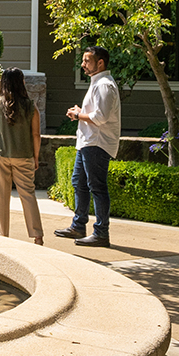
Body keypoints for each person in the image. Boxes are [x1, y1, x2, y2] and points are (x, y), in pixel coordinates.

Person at [55, 46, 122, 248]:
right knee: (79, 183)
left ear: (100, 62)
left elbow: (100, 118)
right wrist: (80, 111)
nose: (83, 64)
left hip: (97, 143)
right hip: (87, 142)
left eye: (86, 61)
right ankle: (78, 225)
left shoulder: (104, 85)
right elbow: (95, 112)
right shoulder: (97, 83)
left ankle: (101, 233)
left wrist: (77, 115)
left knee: (97, 187)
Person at [0, 69, 44, 245]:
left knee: (1, 196)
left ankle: (2, 237)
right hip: (24, 155)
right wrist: (36, 157)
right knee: (28, 195)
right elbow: (36, 135)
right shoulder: (31, 106)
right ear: (21, 83)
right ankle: (37, 236)